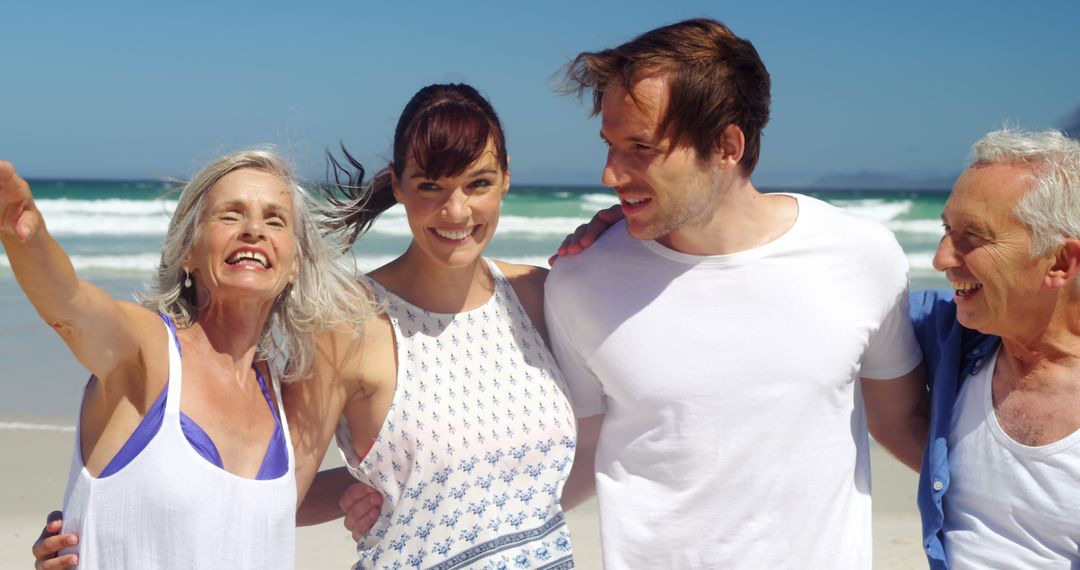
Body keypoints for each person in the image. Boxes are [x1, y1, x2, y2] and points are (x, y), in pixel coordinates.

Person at [541, 18, 927, 568]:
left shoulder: (861, 255)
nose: (609, 173)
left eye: (640, 147)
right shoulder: (582, 281)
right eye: (609, 144)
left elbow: (902, 424)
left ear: (726, 145)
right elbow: (574, 458)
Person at [2, 150, 374, 569]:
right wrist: (26, 235)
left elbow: (266, 509)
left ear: (294, 266)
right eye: (230, 215)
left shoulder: (277, 393)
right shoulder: (148, 353)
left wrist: (394, 487)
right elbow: (70, 307)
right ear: (188, 252)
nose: (253, 230)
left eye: (275, 220)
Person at [281, 83, 580, 569]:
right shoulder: (347, 322)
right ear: (399, 185)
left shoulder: (538, 295)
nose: (456, 211)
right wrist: (357, 491)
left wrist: (610, 231)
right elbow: (273, 496)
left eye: (478, 183)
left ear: (506, 178)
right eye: (430, 186)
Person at [910, 128, 1080, 568]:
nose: (941, 259)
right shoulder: (951, 335)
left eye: (973, 236)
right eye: (947, 228)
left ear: (1060, 262)